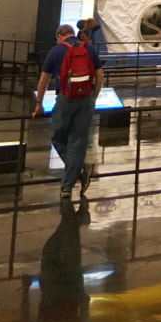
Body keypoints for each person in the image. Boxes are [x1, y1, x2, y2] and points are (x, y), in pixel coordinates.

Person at [34, 24, 101, 200]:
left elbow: (43, 80)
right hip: (86, 99)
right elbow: (100, 76)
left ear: (59, 36)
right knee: (77, 141)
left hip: (65, 99)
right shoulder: (89, 49)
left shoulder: (56, 51)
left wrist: (38, 103)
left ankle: (77, 173)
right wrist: (93, 97)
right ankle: (68, 186)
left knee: (57, 137)